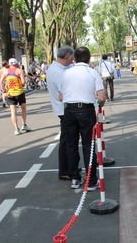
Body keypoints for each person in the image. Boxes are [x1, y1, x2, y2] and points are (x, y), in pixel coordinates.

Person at [59, 46, 106, 191]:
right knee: (88, 145)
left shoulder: (66, 74)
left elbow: (60, 97)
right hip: (86, 110)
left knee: (71, 145)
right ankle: (91, 181)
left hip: (69, 110)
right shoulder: (92, 73)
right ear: (89, 58)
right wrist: (98, 105)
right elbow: (102, 97)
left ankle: (74, 178)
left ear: (74, 58)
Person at [47, 45, 75, 181]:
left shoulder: (57, 68)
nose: (72, 61)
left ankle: (70, 166)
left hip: (63, 108)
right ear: (66, 57)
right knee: (67, 140)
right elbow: (63, 94)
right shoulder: (59, 72)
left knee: (69, 139)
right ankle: (65, 170)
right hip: (64, 108)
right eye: (71, 58)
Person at [0, 58, 31, 135]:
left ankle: (16, 129)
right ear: (16, 63)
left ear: (9, 64)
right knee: (23, 108)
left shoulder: (6, 71)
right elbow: (23, 82)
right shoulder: (19, 71)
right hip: (19, 93)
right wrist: (22, 84)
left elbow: (0, 82)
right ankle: (24, 124)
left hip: (10, 94)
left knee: (13, 112)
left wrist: (4, 91)